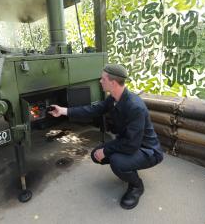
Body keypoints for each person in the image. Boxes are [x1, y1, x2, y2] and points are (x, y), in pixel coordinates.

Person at [49, 63, 163, 209]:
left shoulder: (135, 107)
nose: (100, 81)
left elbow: (131, 144)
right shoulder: (114, 98)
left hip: (148, 151)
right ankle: (129, 166)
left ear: (113, 82)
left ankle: (136, 186)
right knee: (95, 155)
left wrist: (106, 151)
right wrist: (64, 111)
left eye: (103, 79)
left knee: (116, 161)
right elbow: (93, 110)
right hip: (129, 143)